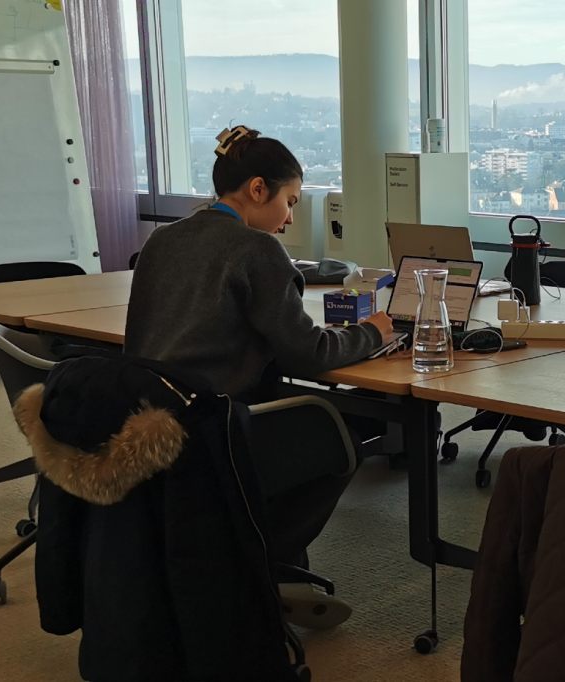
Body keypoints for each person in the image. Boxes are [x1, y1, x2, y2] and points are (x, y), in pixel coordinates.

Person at [125, 125, 395, 628]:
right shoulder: (256, 250)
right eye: (289, 202)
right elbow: (310, 355)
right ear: (256, 189)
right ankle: (253, 559)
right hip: (218, 426)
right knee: (339, 438)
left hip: (150, 418)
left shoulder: (162, 240)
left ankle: (238, 552)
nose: (290, 219)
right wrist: (375, 332)